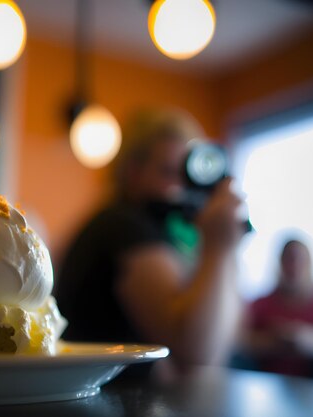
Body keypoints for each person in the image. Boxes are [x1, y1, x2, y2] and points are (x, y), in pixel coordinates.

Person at [55, 108, 245, 374]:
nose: (181, 188)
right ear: (133, 171)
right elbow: (194, 352)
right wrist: (219, 247)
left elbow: (222, 342)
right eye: (169, 172)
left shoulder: (139, 226)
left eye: (187, 176)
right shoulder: (124, 225)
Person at [242, 239, 313, 379]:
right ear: (280, 263)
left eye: (300, 259)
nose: (294, 265)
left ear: (309, 263)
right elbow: (244, 340)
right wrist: (277, 339)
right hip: (268, 380)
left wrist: (304, 337)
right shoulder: (262, 303)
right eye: (289, 259)